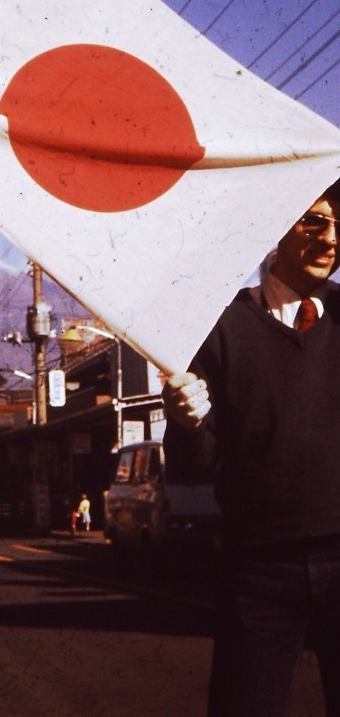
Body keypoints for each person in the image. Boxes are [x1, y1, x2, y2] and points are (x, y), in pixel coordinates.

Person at [162, 178, 340, 717]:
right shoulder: (219, 327)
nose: (330, 238)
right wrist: (186, 422)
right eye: (313, 221)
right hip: (259, 568)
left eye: (338, 225)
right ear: (274, 230)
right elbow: (195, 468)